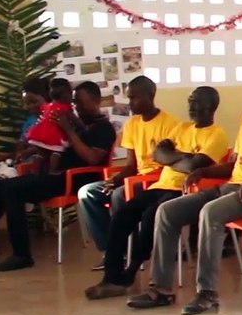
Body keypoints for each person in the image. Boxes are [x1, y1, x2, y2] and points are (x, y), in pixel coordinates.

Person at [127, 72, 242, 313]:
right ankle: (160, 289)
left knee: (210, 213)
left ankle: (207, 293)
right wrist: (204, 172)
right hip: (233, 185)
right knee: (167, 211)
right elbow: (237, 164)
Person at [84, 87, 228, 299]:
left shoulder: (217, 135)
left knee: (151, 215)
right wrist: (182, 157)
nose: (191, 107)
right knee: (122, 214)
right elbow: (158, 154)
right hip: (160, 185)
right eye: (190, 101)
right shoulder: (182, 127)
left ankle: (130, 272)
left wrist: (174, 156)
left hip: (185, 191)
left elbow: (194, 166)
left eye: (196, 102)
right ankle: (111, 278)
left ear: (211, 106)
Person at [0, 82, 115, 272]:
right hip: (54, 175)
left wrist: (69, 131)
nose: (77, 107)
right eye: (75, 103)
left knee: (12, 190)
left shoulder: (104, 128)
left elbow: (93, 159)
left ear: (96, 100)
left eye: (81, 103)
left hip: (74, 179)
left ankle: (22, 255)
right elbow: (57, 149)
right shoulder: (78, 124)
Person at [77, 76, 179, 264]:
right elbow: (131, 165)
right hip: (137, 178)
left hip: (157, 181)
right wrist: (115, 179)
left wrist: (123, 183)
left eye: (134, 98)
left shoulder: (170, 124)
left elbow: (170, 165)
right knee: (88, 193)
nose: (130, 103)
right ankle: (112, 248)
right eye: (129, 97)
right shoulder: (132, 124)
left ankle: (126, 251)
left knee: (119, 195)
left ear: (150, 96)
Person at [22, 77, 74, 166]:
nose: (27, 107)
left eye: (34, 102)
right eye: (26, 103)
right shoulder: (31, 122)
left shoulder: (62, 118)